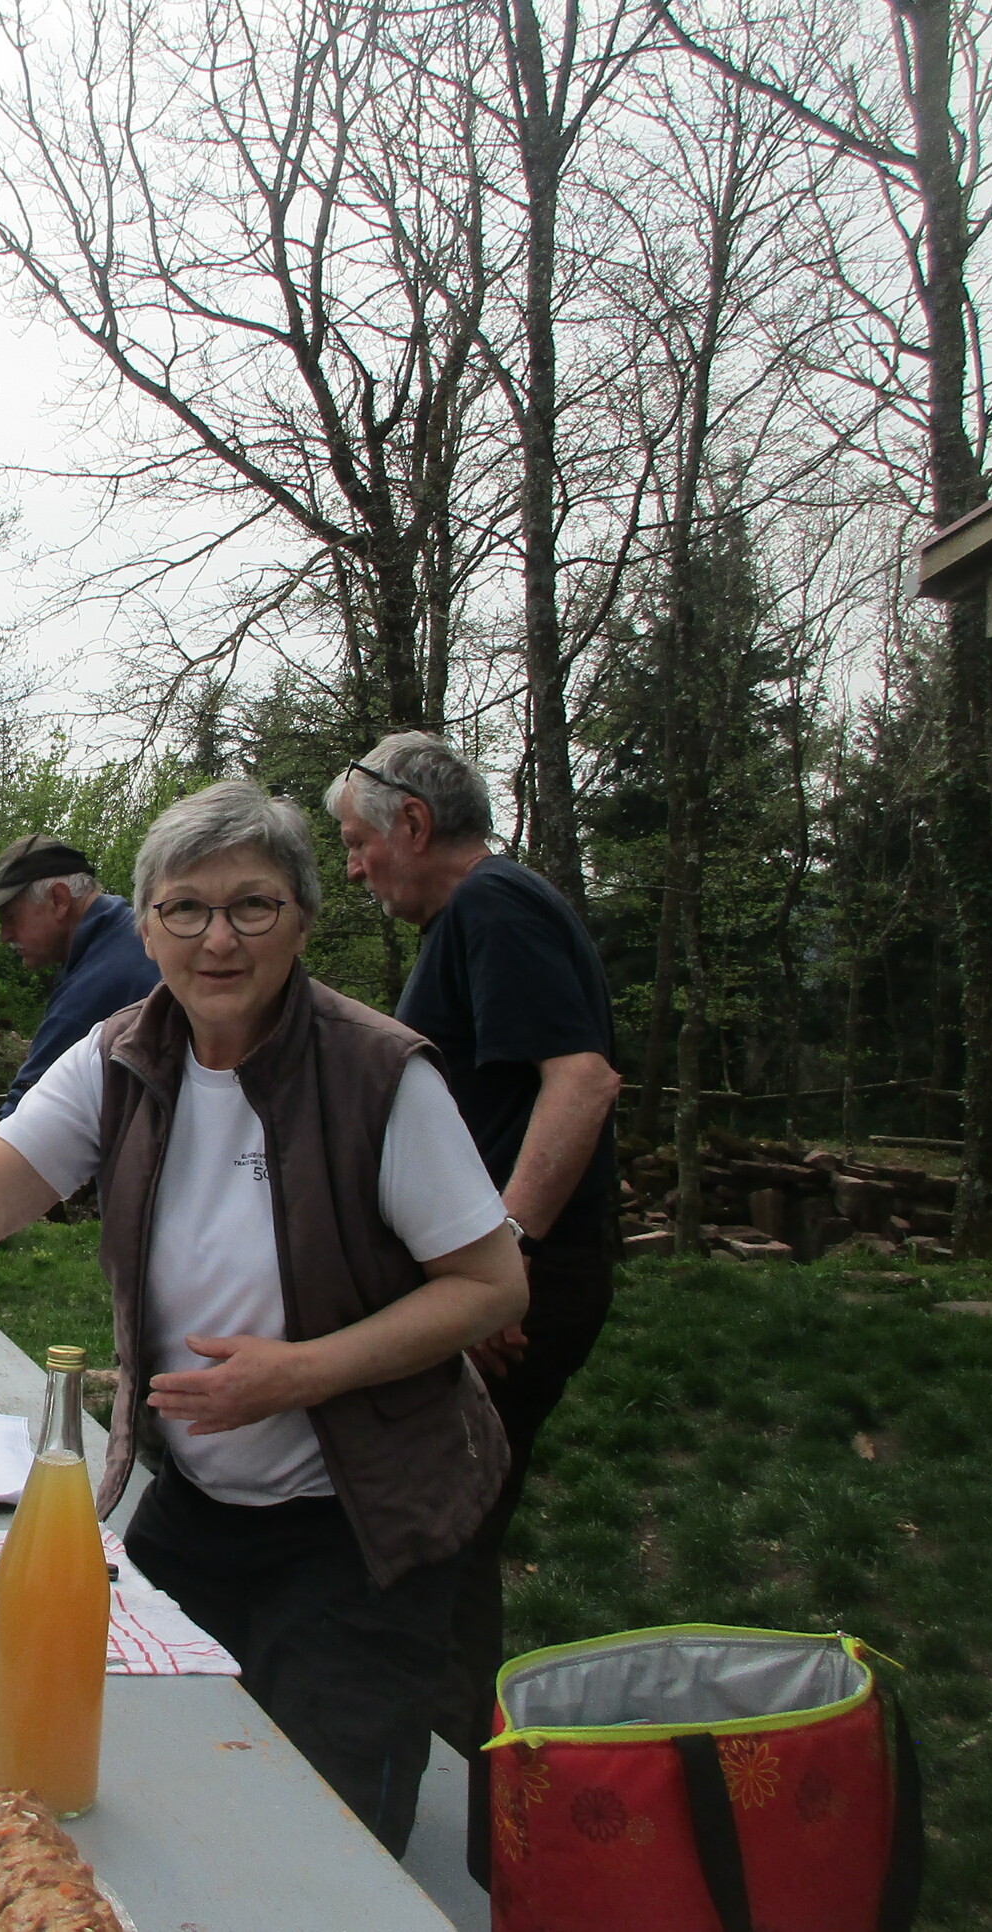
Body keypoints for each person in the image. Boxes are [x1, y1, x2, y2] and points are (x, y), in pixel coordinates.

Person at [0, 778, 524, 1856]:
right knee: (145, 1774)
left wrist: (302, 1373)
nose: (217, 939)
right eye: (184, 908)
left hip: (364, 1520)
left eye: (252, 906)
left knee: (323, 1837)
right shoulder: (118, 1058)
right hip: (197, 1502)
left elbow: (492, 1286)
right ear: (144, 928)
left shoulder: (378, 1075)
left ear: (301, 921)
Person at [328, 730, 623, 1882]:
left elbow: (580, 1080)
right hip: (498, 1277)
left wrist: (500, 1260)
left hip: (519, 1284)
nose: (352, 868)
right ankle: (473, 1830)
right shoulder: (478, 918)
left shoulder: (494, 906)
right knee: (450, 1533)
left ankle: (445, 1839)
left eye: (355, 843)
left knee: (433, 1537)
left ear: (410, 825)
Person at [0, 833, 161, 1118]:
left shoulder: (96, 984)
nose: (4, 935)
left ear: (59, 900)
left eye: (11, 917)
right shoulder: (124, 935)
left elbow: (24, 1114)